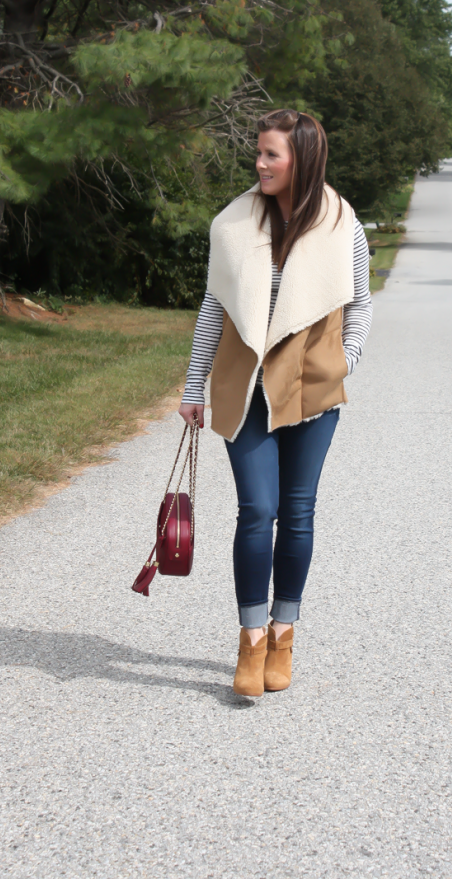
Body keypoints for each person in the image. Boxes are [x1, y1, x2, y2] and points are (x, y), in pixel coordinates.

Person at [179, 109, 372, 697]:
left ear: (303, 161)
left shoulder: (343, 225)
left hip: (312, 390)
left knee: (299, 512)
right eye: (258, 154)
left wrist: (344, 363)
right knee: (256, 511)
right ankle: (251, 640)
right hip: (246, 387)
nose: (259, 164)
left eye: (271, 155)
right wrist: (194, 386)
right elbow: (215, 307)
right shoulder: (234, 225)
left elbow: (360, 304)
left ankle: (285, 633)